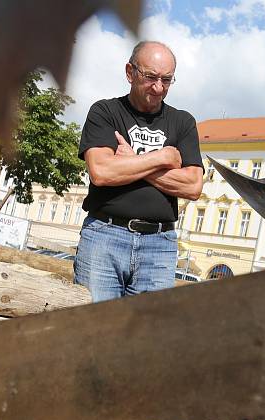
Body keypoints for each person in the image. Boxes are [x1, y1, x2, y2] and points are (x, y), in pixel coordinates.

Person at [74, 41, 203, 302]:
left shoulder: (183, 122)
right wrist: (164, 157)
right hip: (104, 237)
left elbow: (192, 186)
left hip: (160, 244)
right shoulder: (105, 112)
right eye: (150, 77)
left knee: (147, 336)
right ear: (130, 72)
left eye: (167, 80)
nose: (158, 87)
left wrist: (133, 161)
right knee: (94, 331)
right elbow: (101, 171)